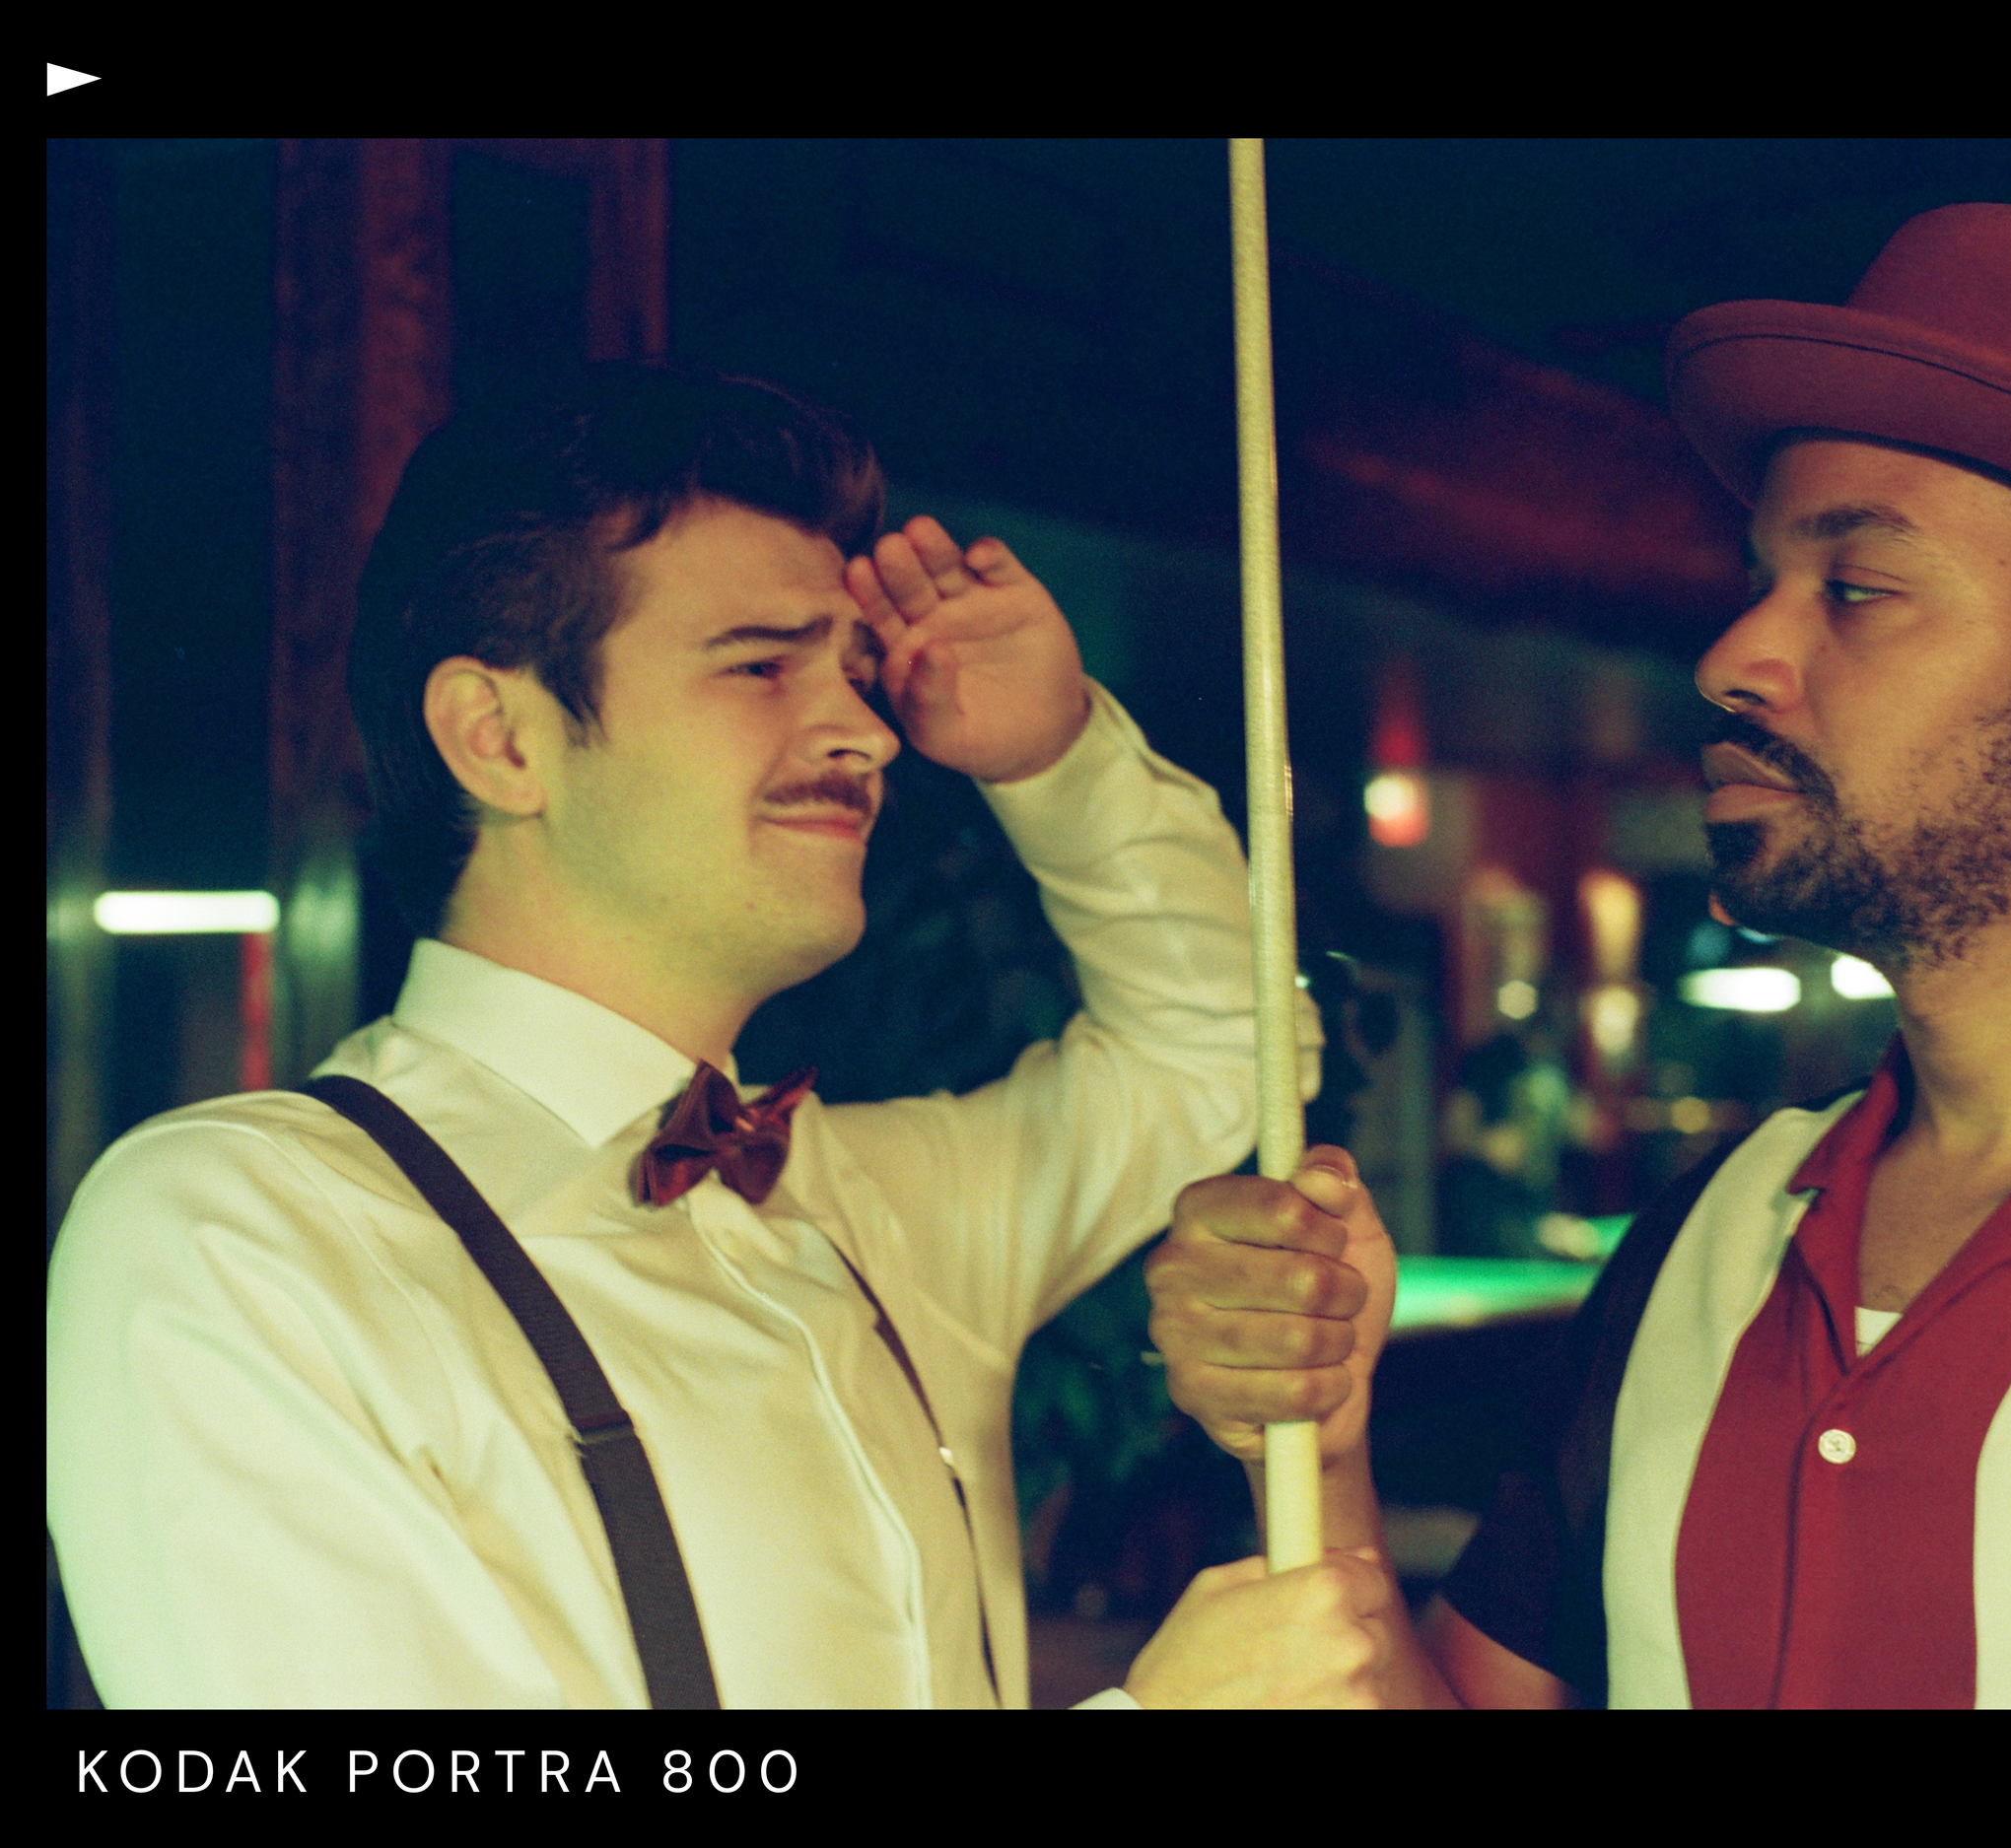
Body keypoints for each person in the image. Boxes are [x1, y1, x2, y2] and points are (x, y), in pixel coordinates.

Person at [1146, 204, 2011, 1709]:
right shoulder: (1709, 1230)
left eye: (1856, 589)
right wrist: (1326, 1434)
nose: (1734, 655)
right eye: (1764, 578)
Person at [47, 366, 1389, 1709]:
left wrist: (1059, 756)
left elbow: (1221, 1052)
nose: (867, 730)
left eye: (857, 671)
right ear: (498, 737)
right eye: (760, 664)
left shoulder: (873, 1206)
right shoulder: (241, 1234)